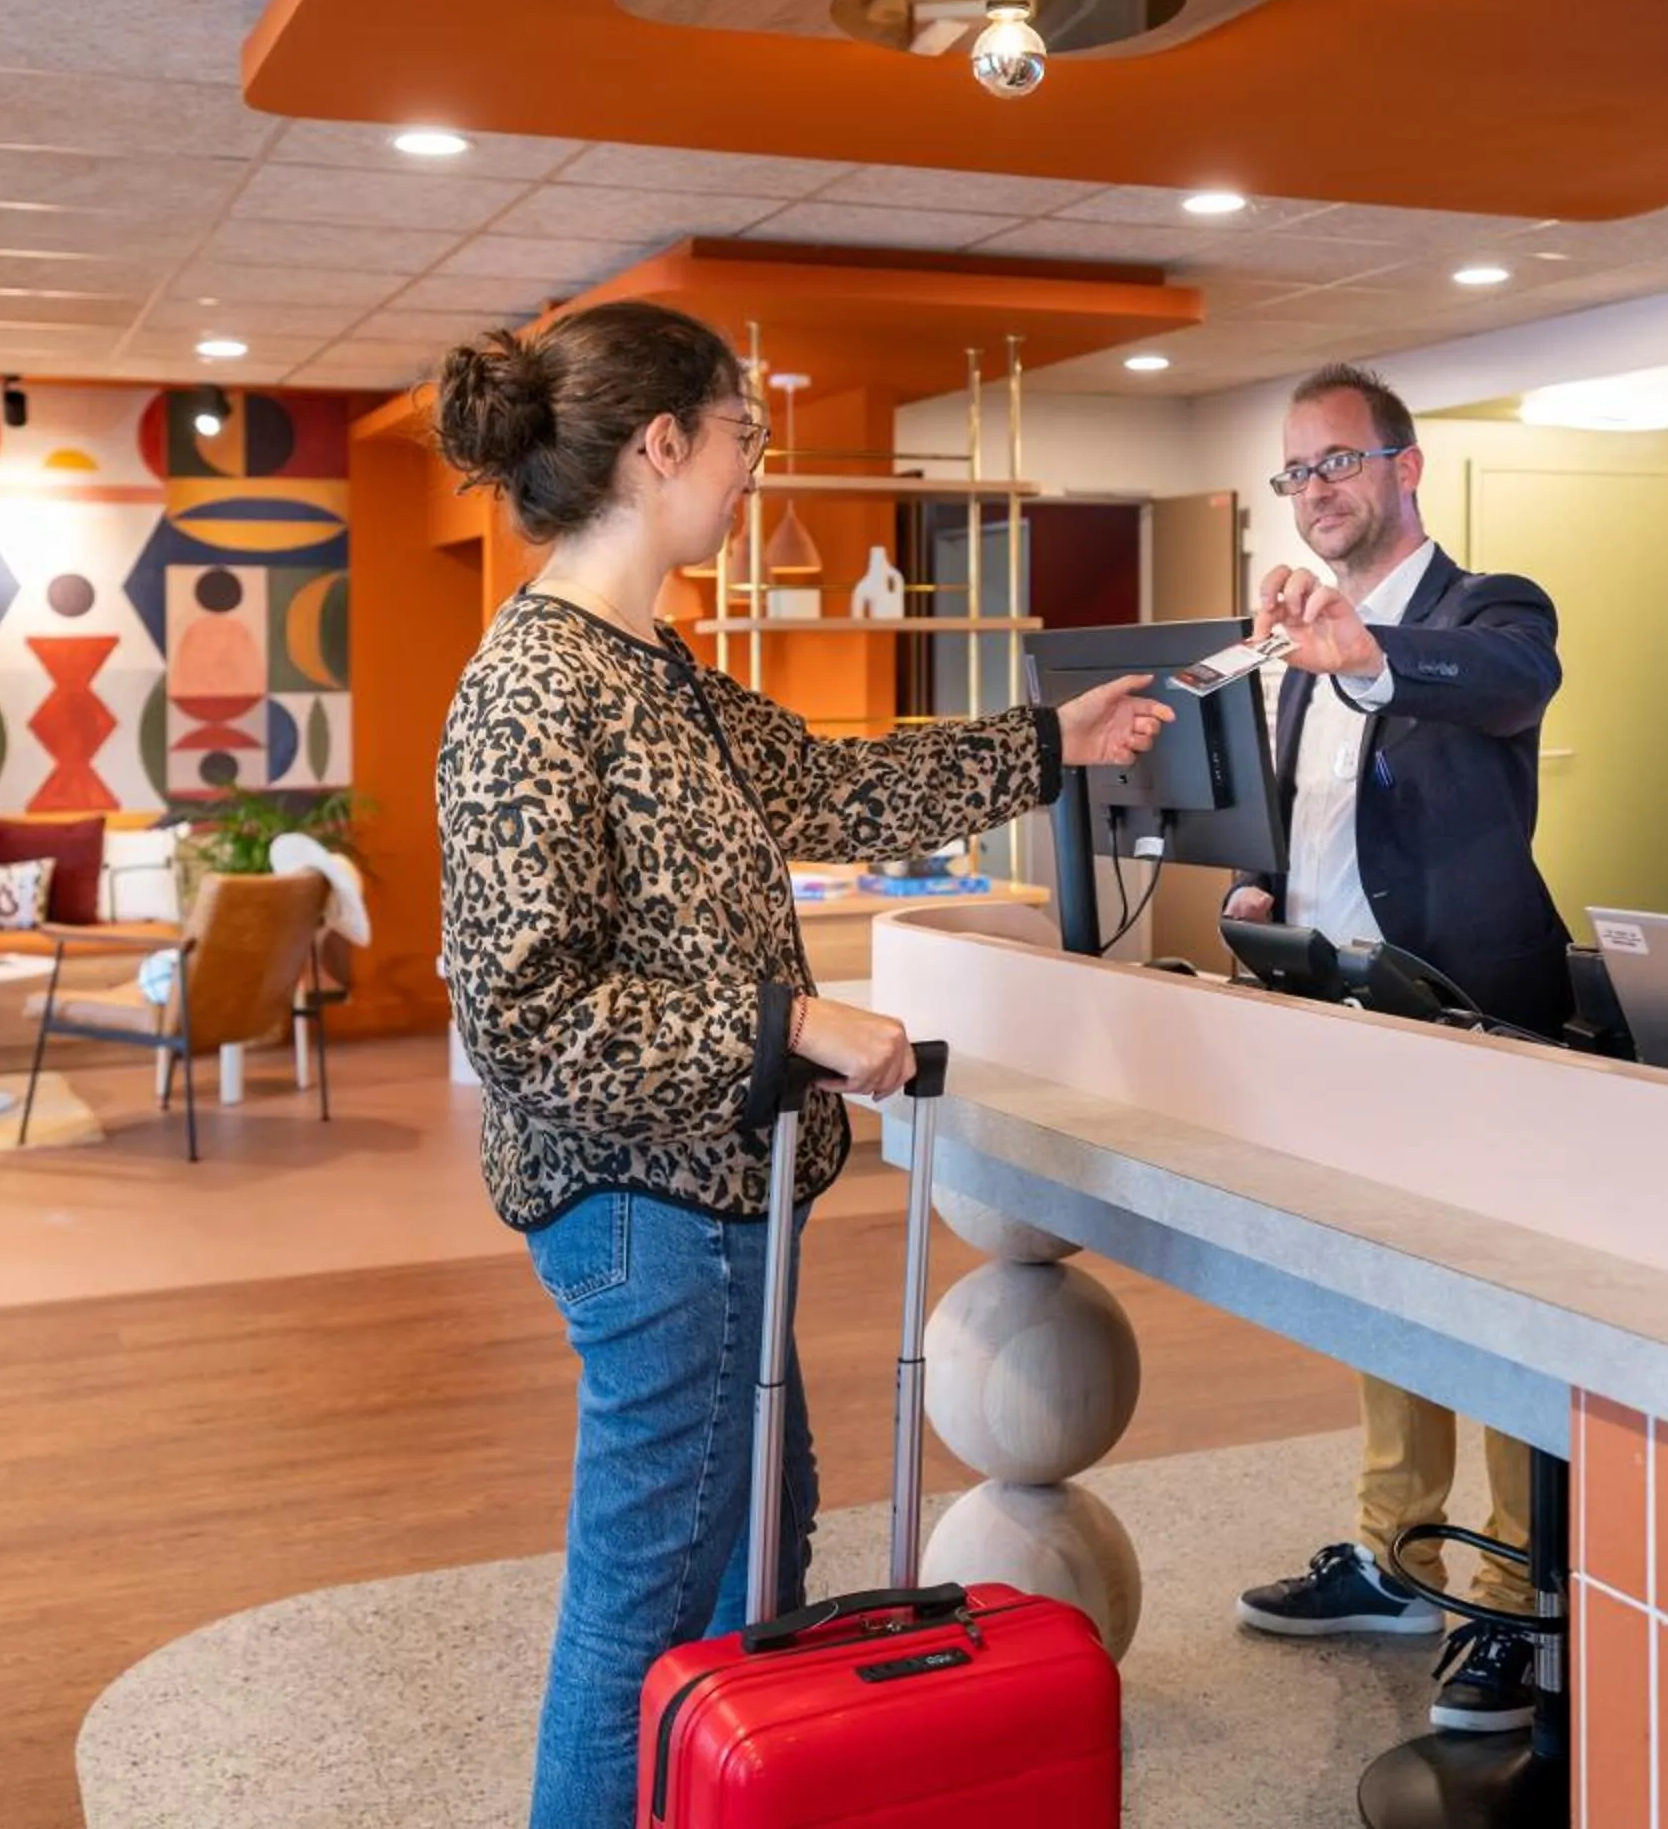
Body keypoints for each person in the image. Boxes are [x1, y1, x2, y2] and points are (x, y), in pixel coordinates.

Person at [431, 299, 1173, 1829]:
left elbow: (826, 784)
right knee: (652, 1610)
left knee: (749, 1566)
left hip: (719, 1202)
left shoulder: (654, 665)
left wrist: (1051, 743)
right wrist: (789, 1025)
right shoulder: (532, 688)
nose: (752, 467)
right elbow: (526, 1018)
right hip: (649, 1218)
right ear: (661, 446)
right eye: (743, 435)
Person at [1223, 361, 1572, 1736]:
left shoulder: (1488, 610)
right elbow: (1310, 817)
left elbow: (1503, 685)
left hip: (1471, 1011)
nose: (1318, 490)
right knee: (1380, 1288)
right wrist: (1258, 889)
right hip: (1343, 1009)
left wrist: (1365, 648)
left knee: (1494, 1301)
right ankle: (1399, 1554)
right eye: (1297, 470)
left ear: (1407, 467)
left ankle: (1520, 1587)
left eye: (1340, 462)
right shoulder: (1304, 647)